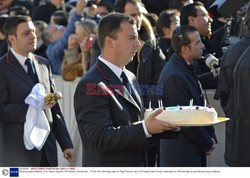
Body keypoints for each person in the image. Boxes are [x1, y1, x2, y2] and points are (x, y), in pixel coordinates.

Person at [74, 12, 178, 167]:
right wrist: (145, 128)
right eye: (131, 38)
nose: (138, 43)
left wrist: (175, 121)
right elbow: (101, 138)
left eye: (137, 37)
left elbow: (137, 124)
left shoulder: (130, 76)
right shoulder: (90, 83)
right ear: (109, 41)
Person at [0, 15, 75, 166]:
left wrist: (66, 143)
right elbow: (2, 110)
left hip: (48, 150)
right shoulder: (2, 67)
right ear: (12, 38)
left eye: (33, 31)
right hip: (18, 153)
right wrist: (34, 106)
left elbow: (55, 109)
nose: (33, 36)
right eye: (26, 33)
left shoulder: (43, 63)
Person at [158, 25, 217, 167]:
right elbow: (186, 120)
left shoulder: (185, 68)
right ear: (185, 49)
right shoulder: (174, 76)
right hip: (181, 156)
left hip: (189, 150)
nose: (203, 46)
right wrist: (208, 143)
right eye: (197, 42)